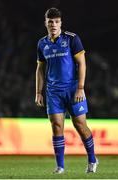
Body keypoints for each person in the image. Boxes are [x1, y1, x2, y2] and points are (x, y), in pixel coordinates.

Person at [35, 7, 98, 174]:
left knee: (80, 125)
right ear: (46, 23)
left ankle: (92, 159)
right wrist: (38, 92)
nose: (53, 24)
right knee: (56, 126)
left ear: (61, 23)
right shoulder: (42, 43)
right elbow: (40, 69)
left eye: (56, 21)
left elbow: (82, 63)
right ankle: (60, 166)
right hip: (53, 91)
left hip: (73, 89)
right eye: (50, 22)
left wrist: (80, 88)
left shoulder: (72, 39)